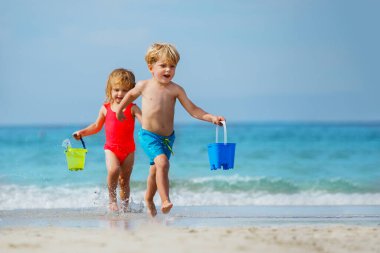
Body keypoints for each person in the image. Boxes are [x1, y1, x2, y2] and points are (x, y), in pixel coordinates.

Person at [115, 43, 225, 216]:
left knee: (155, 170)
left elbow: (193, 109)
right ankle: (165, 200)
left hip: (168, 138)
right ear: (151, 67)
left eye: (172, 66)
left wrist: (211, 118)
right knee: (162, 163)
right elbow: (130, 95)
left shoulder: (176, 89)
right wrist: (121, 109)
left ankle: (149, 198)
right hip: (148, 135)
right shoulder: (144, 86)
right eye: (163, 65)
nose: (168, 70)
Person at [73, 68, 142, 213]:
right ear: (110, 90)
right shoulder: (106, 108)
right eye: (116, 89)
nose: (120, 94)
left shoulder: (133, 108)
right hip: (111, 148)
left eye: (125, 90)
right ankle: (112, 200)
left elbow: (146, 124)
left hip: (129, 149)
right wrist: (82, 133)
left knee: (124, 181)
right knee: (113, 169)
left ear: (131, 92)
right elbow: (96, 126)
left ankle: (125, 207)